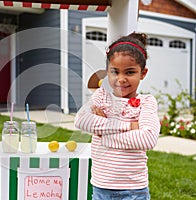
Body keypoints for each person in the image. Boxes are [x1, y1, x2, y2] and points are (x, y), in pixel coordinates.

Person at [74, 32, 161, 200]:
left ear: (143, 73)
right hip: (102, 187)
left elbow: (148, 139)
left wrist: (103, 133)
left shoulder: (146, 102)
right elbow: (81, 120)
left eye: (129, 72)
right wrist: (129, 126)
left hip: (135, 190)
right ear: (107, 72)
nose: (121, 79)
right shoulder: (102, 96)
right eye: (115, 72)